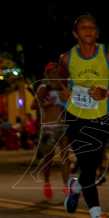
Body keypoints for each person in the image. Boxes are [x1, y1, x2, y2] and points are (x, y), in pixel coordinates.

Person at [57, 14, 109, 218]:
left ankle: (75, 188)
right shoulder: (66, 58)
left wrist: (107, 92)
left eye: (92, 27)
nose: (88, 31)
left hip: (101, 117)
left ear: (97, 32)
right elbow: (60, 81)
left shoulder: (106, 55)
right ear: (75, 33)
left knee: (92, 167)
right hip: (76, 118)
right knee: (88, 168)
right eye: (83, 28)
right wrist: (64, 92)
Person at [34, 61, 71, 199]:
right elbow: (33, 105)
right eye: (52, 71)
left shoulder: (64, 87)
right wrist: (45, 104)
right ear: (47, 73)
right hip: (49, 126)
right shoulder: (44, 88)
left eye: (57, 71)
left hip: (63, 124)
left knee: (65, 155)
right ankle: (47, 182)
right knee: (48, 158)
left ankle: (66, 185)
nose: (55, 73)